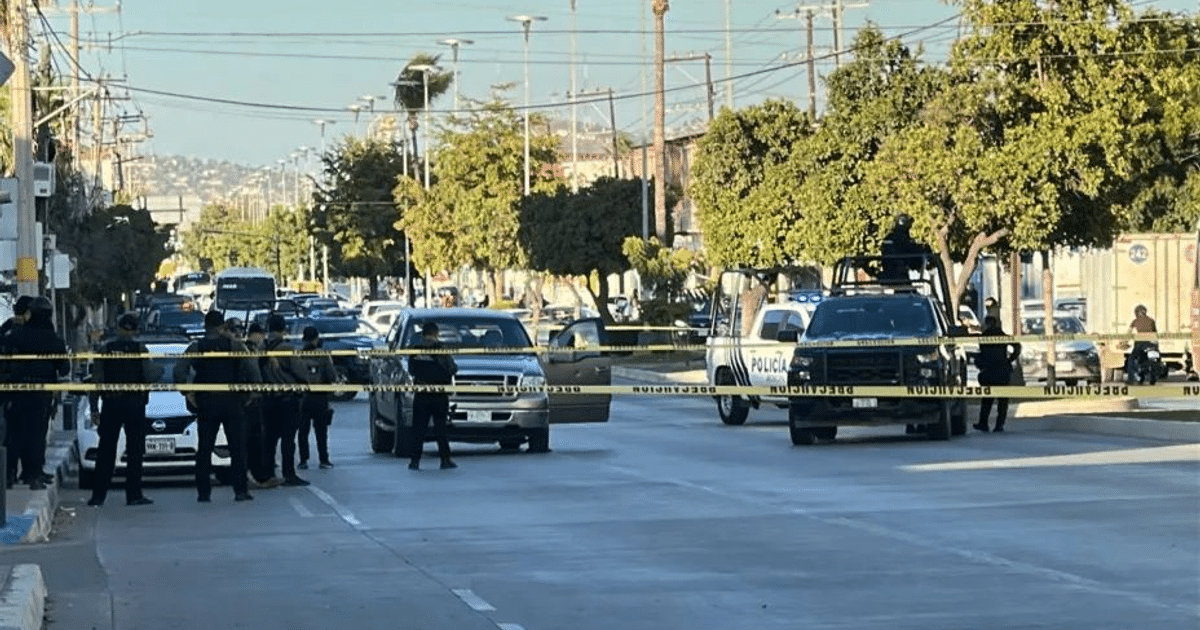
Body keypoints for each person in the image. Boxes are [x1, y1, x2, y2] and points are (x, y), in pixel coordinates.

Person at [173, 310, 259, 502]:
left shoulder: (196, 347)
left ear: (205, 326)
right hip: (232, 402)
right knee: (237, 449)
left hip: (207, 403)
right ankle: (240, 491)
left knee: (204, 449)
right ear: (222, 327)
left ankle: (203, 493)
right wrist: (251, 394)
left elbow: (179, 370)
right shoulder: (235, 345)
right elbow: (252, 369)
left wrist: (187, 392)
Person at [87, 313, 161, 507]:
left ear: (118, 328)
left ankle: (98, 496)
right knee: (135, 451)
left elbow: (96, 380)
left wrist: (94, 408)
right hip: (134, 405)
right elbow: (150, 375)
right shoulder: (140, 349)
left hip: (112, 404)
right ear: (136, 330)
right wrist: (159, 370)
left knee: (106, 451)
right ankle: (134, 495)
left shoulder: (106, 349)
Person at [0, 297, 69, 490]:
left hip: (17, 393)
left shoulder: (16, 335)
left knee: (14, 434)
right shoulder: (54, 340)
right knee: (37, 436)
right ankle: (34, 475)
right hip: (42, 395)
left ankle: (8, 475)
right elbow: (64, 368)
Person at [260, 313, 311, 486]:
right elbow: (301, 373)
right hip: (287, 399)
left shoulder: (261, 348)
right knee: (288, 439)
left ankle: (268, 474)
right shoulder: (286, 348)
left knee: (270, 439)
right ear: (284, 329)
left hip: (267, 399)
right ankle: (289, 474)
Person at [406, 322, 457, 470]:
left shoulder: (416, 350)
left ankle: (414, 461)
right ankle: (445, 460)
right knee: (441, 429)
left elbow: (411, 370)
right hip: (439, 394)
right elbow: (452, 368)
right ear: (436, 334)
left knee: (418, 429)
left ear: (423, 334)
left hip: (421, 394)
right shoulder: (441, 349)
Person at [242, 322, 279, 488]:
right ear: (255, 334)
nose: (263, 338)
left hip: (254, 398)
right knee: (253, 439)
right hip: (250, 400)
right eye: (261, 335)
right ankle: (259, 476)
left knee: (255, 439)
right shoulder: (247, 349)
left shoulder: (254, 350)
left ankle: (258, 475)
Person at [297, 326, 338, 470]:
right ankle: (324, 460)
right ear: (316, 339)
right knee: (321, 431)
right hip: (320, 396)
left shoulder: (298, 355)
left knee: (303, 431)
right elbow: (332, 376)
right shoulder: (323, 355)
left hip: (303, 397)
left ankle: (303, 460)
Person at [974, 316, 1022, 433]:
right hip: (1002, 371)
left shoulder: (984, 336)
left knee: (987, 399)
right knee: (1003, 401)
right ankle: (999, 425)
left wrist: (981, 364)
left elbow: (981, 353)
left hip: (989, 371)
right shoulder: (1002, 335)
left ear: (986, 324)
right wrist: (1010, 359)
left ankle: (983, 423)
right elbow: (1017, 346)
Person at [879, 214, 933, 286]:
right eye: (909, 226)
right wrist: (924, 251)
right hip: (898, 276)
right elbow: (912, 254)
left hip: (891, 276)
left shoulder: (889, 238)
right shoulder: (902, 240)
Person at [1124, 305, 1158, 381]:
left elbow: (1129, 333)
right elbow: (1155, 332)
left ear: (1137, 313)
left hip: (1140, 343)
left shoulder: (1135, 321)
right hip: (1151, 343)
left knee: (1131, 359)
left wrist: (1125, 342)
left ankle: (1131, 378)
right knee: (1156, 355)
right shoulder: (1151, 320)